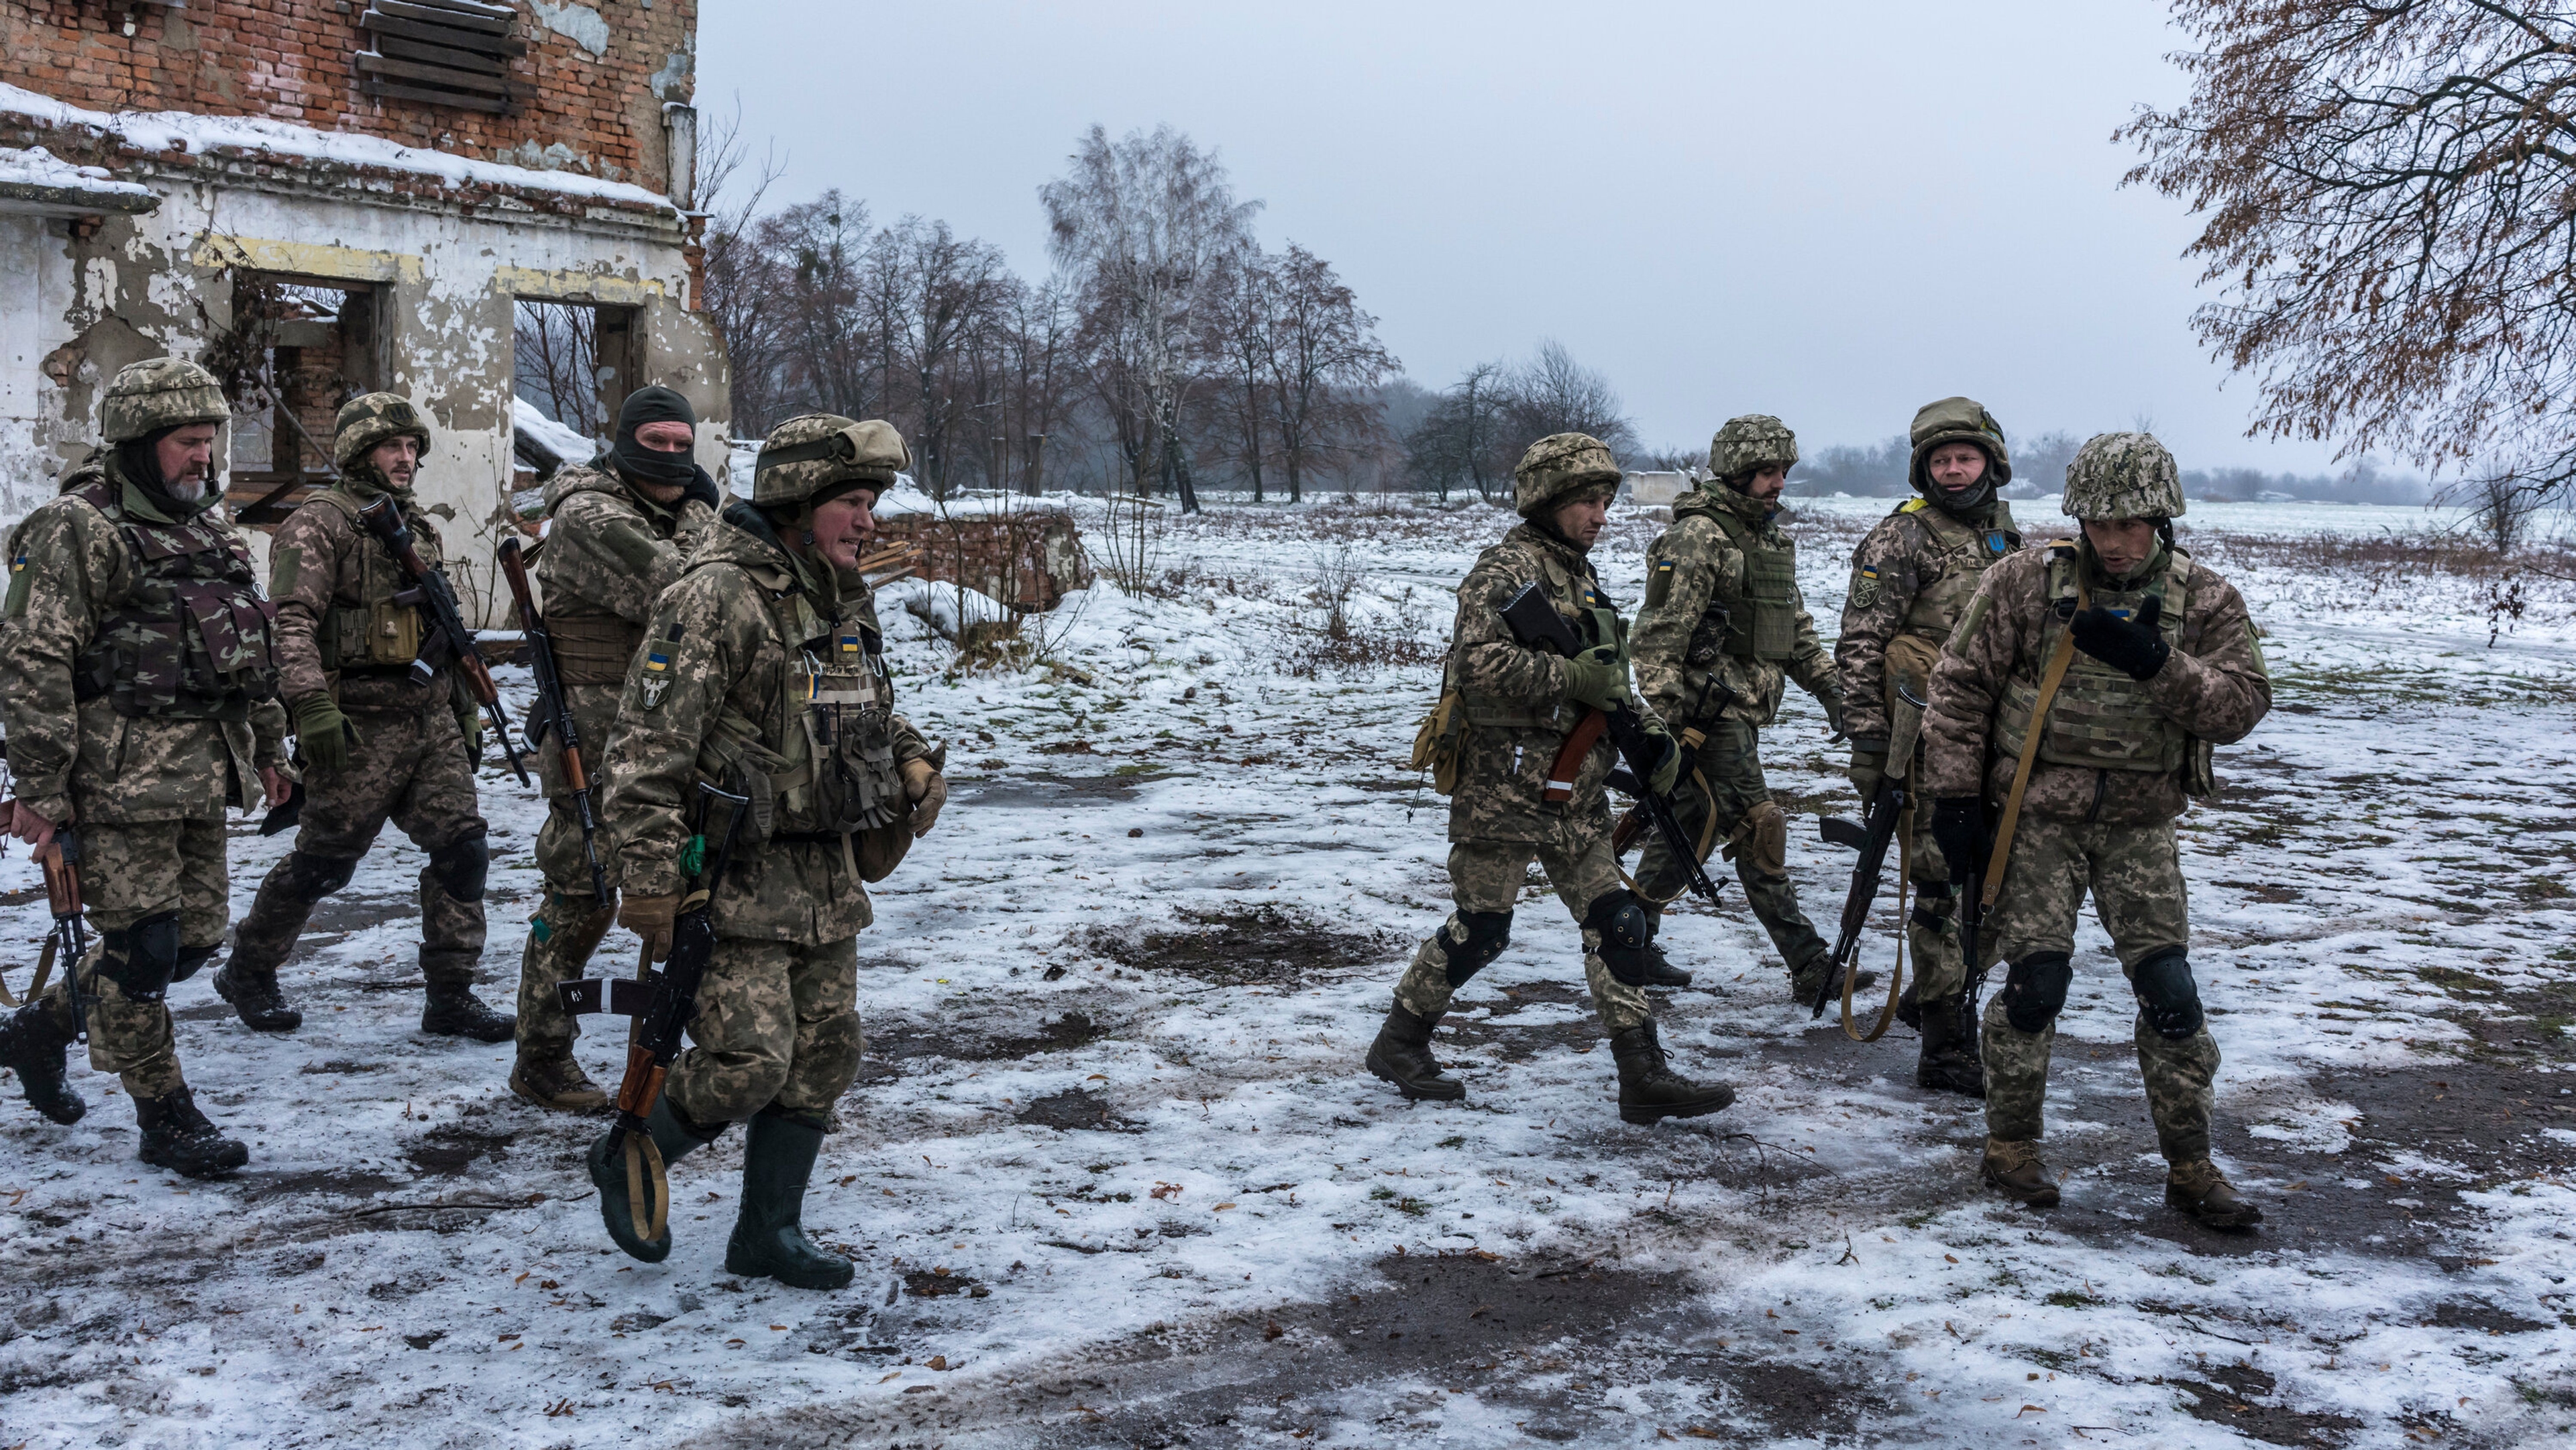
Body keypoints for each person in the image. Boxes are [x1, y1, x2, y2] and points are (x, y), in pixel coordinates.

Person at [588, 413, 947, 1289]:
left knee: (826, 1053)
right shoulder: (714, 597)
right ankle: (628, 1154)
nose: (867, 522)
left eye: (870, 503)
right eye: (852, 503)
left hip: (825, 872)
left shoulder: (837, 594)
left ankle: (768, 1233)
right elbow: (645, 750)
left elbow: (864, 705)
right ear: (798, 501)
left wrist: (905, 754)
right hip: (732, 877)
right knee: (750, 1062)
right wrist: (646, 881)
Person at [1922, 432, 2271, 1227]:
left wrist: (2159, 662)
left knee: (2171, 993)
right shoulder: (2023, 583)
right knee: (2036, 984)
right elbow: (1959, 688)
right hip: (2035, 818)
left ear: (2164, 518)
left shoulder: (2204, 599)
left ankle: (2192, 1168)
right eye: (2099, 525)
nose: (2113, 543)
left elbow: (2244, 706)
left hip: (2140, 826)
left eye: (2131, 525)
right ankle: (2011, 1148)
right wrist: (1954, 801)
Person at [1364, 432, 1731, 1125]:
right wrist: (1572, 677)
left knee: (1618, 921)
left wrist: (1648, 731)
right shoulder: (1503, 570)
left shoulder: (1580, 575)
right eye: (1589, 501)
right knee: (1483, 929)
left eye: (1606, 501)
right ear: (1549, 500)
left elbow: (1607, 675)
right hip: (1503, 785)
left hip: (1577, 789)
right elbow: (1479, 667)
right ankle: (1399, 1042)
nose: (1601, 515)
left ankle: (1642, 1074)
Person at [0, 358, 291, 1176]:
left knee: (194, 939)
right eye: (187, 443)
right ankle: (165, 1115)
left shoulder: (211, 528)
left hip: (204, 773)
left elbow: (249, 655)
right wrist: (44, 789)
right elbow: (32, 660)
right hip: (117, 779)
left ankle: (40, 1028)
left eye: (210, 441)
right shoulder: (76, 528)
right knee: (142, 949)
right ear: (137, 443)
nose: (204, 457)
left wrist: (270, 749)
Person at [213, 394, 513, 1041]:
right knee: (324, 863)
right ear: (358, 451)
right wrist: (312, 705)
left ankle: (451, 993)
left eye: (412, 448)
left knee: (464, 851)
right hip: (356, 722)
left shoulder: (417, 527)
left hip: (427, 716)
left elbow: (443, 631)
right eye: (391, 447)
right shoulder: (322, 523)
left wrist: (465, 713)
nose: (406, 459)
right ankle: (248, 968)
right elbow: (290, 622)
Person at [508, 386, 721, 1111]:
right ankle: (540, 1055)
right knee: (583, 892)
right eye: (653, 441)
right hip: (593, 744)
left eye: (679, 443)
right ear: (623, 441)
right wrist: (705, 517)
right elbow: (689, 588)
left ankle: (686, 1040)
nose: (668, 454)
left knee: (686, 886)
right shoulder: (588, 514)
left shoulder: (678, 513)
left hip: (670, 738)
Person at [1836, 397, 2023, 1095]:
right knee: (1942, 888)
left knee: (1996, 886)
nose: (1953, 470)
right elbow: (1859, 644)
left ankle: (1930, 994)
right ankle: (1946, 1045)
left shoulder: (2007, 536)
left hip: (1995, 743)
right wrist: (1870, 740)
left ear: (1990, 462)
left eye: (1965, 457)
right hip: (1918, 746)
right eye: (1940, 460)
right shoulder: (1901, 539)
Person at [1628, 415, 1847, 1003]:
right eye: (1767, 472)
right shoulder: (1699, 537)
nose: (1778, 483)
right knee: (1758, 823)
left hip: (1744, 708)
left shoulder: (1768, 540)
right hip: (1708, 713)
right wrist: (1672, 722)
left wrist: (1835, 693)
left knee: (1694, 823)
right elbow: (1656, 638)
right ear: (1737, 471)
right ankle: (1810, 965)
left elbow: (1793, 631)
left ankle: (1629, 937)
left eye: (1783, 472)